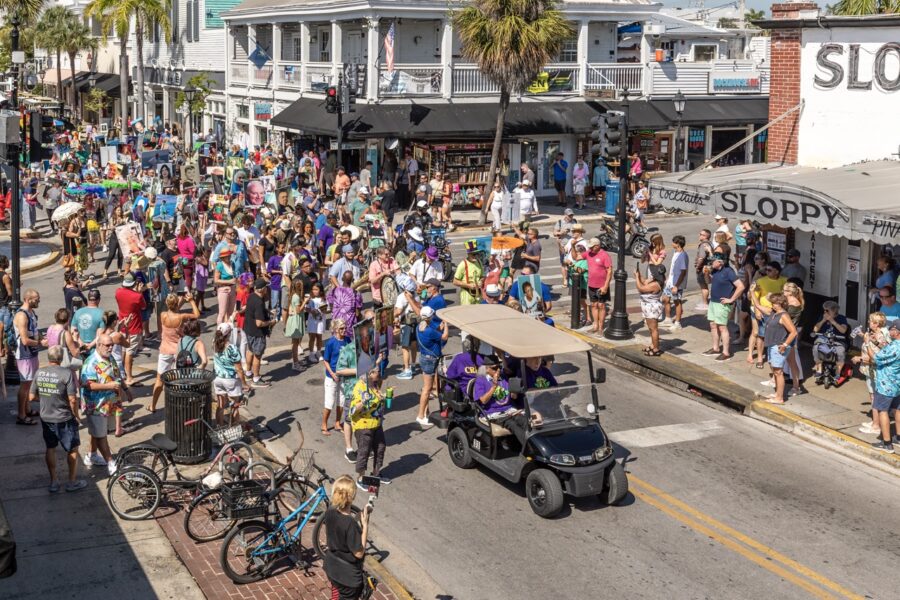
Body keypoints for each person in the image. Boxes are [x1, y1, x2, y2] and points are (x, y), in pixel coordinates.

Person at [32, 345, 86, 493]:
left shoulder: (39, 372)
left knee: (50, 448)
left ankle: (54, 482)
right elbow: (72, 399)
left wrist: (44, 399)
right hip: (64, 418)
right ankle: (72, 482)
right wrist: (76, 415)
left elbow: (31, 396)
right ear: (61, 358)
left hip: (46, 417)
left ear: (48, 358)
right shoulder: (66, 373)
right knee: (73, 449)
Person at [81, 334, 131, 475]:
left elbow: (117, 375)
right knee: (101, 434)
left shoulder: (110, 358)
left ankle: (91, 455)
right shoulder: (91, 363)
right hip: (96, 405)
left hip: (109, 403)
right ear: (98, 345)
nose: (110, 348)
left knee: (98, 431)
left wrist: (126, 389)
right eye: (107, 345)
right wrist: (109, 386)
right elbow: (88, 385)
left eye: (112, 345)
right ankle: (110, 463)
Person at [321, 475, 371, 600]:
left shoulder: (330, 512)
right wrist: (365, 527)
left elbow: (340, 529)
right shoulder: (350, 524)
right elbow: (359, 553)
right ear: (352, 496)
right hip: (348, 578)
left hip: (331, 567)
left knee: (336, 593)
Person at [149, 293, 201, 412]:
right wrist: (192, 301)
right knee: (178, 380)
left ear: (167, 304)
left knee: (159, 380)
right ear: (177, 304)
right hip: (178, 351)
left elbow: (172, 309)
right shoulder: (181, 317)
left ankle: (153, 405)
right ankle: (178, 406)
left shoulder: (163, 315)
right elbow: (197, 315)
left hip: (165, 350)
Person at [853, 312, 891, 436]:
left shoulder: (880, 336)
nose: (868, 323)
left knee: (874, 398)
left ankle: (876, 426)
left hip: (874, 371)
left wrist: (859, 358)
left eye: (870, 321)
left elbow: (875, 358)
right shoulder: (879, 334)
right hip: (872, 371)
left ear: (876, 324)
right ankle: (876, 421)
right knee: (874, 397)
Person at [703, 252, 745, 362]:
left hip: (723, 304)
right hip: (713, 301)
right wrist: (706, 274)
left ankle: (726, 352)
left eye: (713, 261)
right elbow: (709, 282)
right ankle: (715, 348)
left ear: (720, 262)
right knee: (713, 325)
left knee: (722, 327)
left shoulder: (728, 272)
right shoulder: (715, 271)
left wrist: (731, 299)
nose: (711, 263)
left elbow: (740, 286)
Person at [14, 289, 46, 425]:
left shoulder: (31, 313)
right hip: (24, 354)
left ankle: (27, 409)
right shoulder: (22, 316)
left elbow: (33, 333)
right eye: (36, 299)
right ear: (28, 299)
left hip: (32, 353)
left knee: (29, 382)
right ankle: (21, 415)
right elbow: (25, 340)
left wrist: (41, 338)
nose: (38, 301)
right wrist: (40, 343)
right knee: (25, 385)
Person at [350, 367, 388, 480]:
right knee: (364, 451)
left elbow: (376, 400)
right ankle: (360, 478)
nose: (379, 372)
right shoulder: (360, 387)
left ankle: (376, 474)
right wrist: (363, 402)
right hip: (363, 426)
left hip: (376, 423)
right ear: (369, 374)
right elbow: (353, 410)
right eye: (376, 371)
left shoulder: (374, 384)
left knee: (380, 448)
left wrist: (383, 397)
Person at [761, 294, 799, 405]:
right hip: (772, 344)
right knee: (775, 370)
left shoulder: (784, 316)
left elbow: (793, 332)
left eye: (774, 303)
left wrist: (785, 344)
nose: (772, 305)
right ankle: (777, 393)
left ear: (780, 304)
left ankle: (779, 398)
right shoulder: (775, 313)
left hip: (778, 345)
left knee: (778, 372)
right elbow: (759, 307)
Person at [415, 306, 449, 428]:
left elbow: (434, 332)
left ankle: (425, 412)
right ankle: (420, 416)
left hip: (425, 358)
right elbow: (444, 336)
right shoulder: (429, 331)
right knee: (427, 389)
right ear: (430, 317)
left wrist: (440, 328)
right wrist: (446, 326)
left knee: (427, 388)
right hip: (430, 359)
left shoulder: (419, 327)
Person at [869, 319, 900, 453]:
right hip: (897, 384)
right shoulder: (895, 345)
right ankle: (898, 438)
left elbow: (875, 358)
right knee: (897, 410)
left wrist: (867, 343)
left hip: (885, 384)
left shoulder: (894, 346)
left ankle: (887, 443)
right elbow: (889, 353)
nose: (890, 331)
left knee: (883, 411)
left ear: (897, 332)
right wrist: (877, 342)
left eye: (892, 329)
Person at [212, 323, 250, 426]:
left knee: (220, 405)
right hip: (231, 380)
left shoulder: (214, 343)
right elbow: (239, 369)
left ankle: (219, 427)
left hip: (217, 378)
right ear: (229, 334)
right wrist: (244, 384)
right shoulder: (232, 348)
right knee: (235, 406)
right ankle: (234, 428)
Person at [244, 279, 277, 387]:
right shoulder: (258, 301)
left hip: (248, 329)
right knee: (257, 355)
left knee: (250, 351)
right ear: (262, 289)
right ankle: (256, 378)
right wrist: (271, 322)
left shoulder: (252, 296)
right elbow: (259, 323)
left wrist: (268, 312)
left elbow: (254, 311)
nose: (267, 289)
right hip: (257, 333)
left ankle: (248, 373)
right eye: (266, 287)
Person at [323, 319, 351, 440]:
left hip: (344, 376)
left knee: (341, 401)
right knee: (330, 402)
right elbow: (326, 360)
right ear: (335, 330)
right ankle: (324, 424)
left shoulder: (347, 340)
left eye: (345, 328)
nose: (344, 330)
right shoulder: (331, 343)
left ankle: (337, 423)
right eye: (341, 329)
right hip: (331, 377)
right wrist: (332, 373)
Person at [811, 300, 849, 382]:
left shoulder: (841, 318)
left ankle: (838, 372)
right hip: (823, 339)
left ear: (834, 310)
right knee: (815, 348)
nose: (825, 312)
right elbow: (815, 329)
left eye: (827, 310)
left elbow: (843, 330)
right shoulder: (822, 317)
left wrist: (832, 321)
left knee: (840, 351)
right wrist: (823, 320)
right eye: (824, 310)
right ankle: (819, 369)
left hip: (838, 339)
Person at [634, 264, 665, 356]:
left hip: (652, 307)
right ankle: (653, 345)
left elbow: (641, 288)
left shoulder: (656, 284)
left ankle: (656, 349)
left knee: (653, 329)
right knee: (651, 329)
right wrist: (639, 276)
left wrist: (636, 278)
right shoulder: (656, 280)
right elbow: (644, 282)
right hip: (648, 307)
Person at [661, 235, 689, 331]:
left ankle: (677, 323)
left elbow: (683, 272)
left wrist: (676, 286)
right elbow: (673, 267)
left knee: (677, 302)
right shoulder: (675, 252)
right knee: (665, 298)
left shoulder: (683, 255)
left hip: (677, 283)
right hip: (671, 281)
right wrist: (668, 278)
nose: (671, 243)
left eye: (673, 242)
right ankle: (668, 319)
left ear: (677, 244)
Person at [585, 238, 611, 335]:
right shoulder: (588, 253)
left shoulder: (604, 255)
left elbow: (609, 271)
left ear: (597, 246)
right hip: (591, 284)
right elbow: (577, 257)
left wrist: (605, 286)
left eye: (592, 247)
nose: (590, 249)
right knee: (594, 305)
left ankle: (601, 327)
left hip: (601, 285)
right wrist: (574, 247)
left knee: (601, 305)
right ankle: (595, 325)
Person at [283, 278, 308, 370]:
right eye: (300, 286)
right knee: (295, 343)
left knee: (295, 343)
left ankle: (296, 360)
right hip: (296, 320)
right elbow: (298, 311)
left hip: (294, 319)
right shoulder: (296, 297)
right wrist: (305, 302)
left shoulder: (293, 295)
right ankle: (295, 363)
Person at [453, 241, 483, 306]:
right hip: (466, 293)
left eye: (477, 254)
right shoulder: (463, 264)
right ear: (468, 254)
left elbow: (482, 276)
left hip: (478, 293)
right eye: (473, 254)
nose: (476, 256)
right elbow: (455, 282)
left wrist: (481, 281)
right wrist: (468, 285)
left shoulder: (479, 262)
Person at [693, 229, 714, 311]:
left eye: (701, 234)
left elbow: (701, 257)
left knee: (703, 286)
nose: (699, 235)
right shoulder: (709, 243)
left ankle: (705, 303)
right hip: (707, 268)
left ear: (706, 236)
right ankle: (705, 302)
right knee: (705, 285)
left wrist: (698, 267)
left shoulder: (703, 245)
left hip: (703, 268)